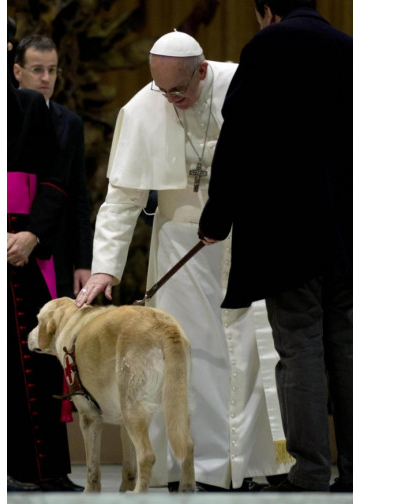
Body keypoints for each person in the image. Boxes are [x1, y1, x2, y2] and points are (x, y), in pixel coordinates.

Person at [75, 30, 292, 492]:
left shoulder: (242, 83)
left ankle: (253, 465)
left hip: (247, 238)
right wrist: (104, 267)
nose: (171, 100)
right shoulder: (141, 108)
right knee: (190, 357)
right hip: (181, 246)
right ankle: (200, 467)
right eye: (162, 89)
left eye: (180, 89)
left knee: (253, 352)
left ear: (202, 69)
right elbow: (122, 197)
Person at [197, 0, 353, 493]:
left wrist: (217, 216)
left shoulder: (265, 49)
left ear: (267, 10)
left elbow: (238, 138)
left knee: (300, 345)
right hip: (350, 228)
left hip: (289, 231)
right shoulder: (349, 50)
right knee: (347, 347)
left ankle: (309, 472)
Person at [7, 19, 84, 493]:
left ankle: (41, 469)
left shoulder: (30, 107)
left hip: (19, 248)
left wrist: (33, 232)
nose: (45, 77)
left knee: (34, 362)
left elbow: (60, 182)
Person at [13, 35, 92, 300]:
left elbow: (79, 196)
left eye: (52, 70)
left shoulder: (70, 123)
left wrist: (83, 262)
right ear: (17, 71)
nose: (46, 78)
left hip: (56, 246)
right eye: (37, 70)